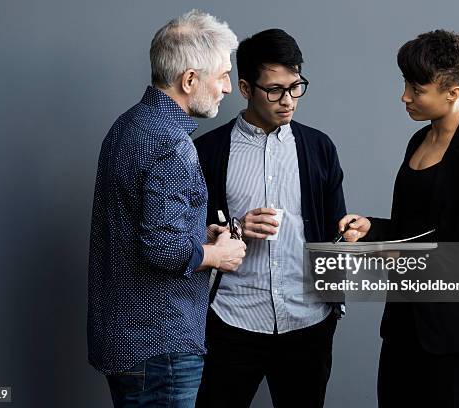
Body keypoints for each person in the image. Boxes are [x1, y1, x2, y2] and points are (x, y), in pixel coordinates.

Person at [340, 30, 459, 408]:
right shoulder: (418, 141)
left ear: (454, 91)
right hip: (405, 322)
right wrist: (372, 229)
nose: (404, 96)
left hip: (454, 332)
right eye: (405, 84)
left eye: (417, 89)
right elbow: (411, 229)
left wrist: (408, 259)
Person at [87, 10, 246, 408]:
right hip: (161, 345)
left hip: (123, 339)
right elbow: (162, 249)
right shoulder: (173, 145)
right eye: (222, 75)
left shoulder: (127, 125)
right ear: (190, 80)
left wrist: (198, 234)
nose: (227, 87)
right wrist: (217, 255)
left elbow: (136, 225)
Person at [194, 29, 346, 408]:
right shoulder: (208, 151)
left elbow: (335, 230)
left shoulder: (319, 148)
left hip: (308, 322)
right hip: (232, 321)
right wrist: (236, 228)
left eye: (296, 87)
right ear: (245, 88)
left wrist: (333, 304)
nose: (288, 100)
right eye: (274, 90)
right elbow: (187, 236)